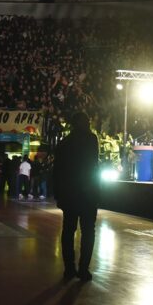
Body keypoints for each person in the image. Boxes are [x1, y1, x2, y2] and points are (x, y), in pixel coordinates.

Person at [53, 111, 100, 281]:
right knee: (88, 231)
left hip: (70, 193)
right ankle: (83, 269)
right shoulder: (91, 139)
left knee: (68, 230)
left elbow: (57, 170)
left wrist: (58, 193)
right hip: (88, 193)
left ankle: (69, 268)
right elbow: (93, 164)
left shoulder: (64, 143)